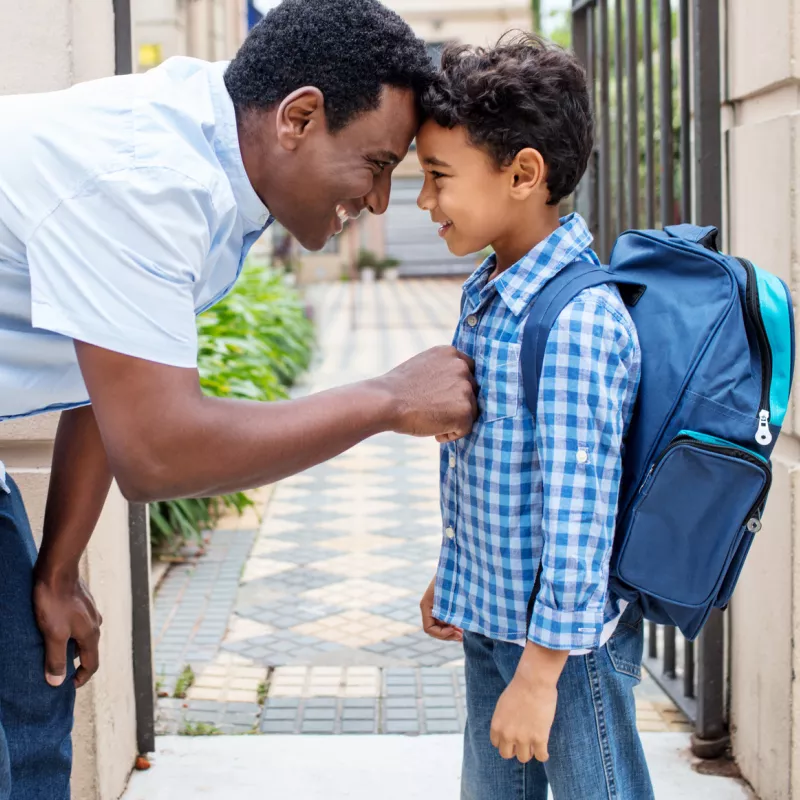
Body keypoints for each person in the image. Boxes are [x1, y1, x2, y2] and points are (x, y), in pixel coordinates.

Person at [0, 1, 477, 796]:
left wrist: (59, 569)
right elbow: (158, 450)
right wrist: (388, 398)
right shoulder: (153, 179)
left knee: (30, 693)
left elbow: (110, 371)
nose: (381, 201)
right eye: (378, 164)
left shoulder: (214, 154)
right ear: (299, 117)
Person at [416, 35, 654, 799]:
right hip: (494, 627)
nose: (423, 202)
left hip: (564, 652)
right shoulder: (490, 291)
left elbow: (579, 511)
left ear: (523, 173)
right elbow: (491, 464)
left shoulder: (577, 320)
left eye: (438, 178)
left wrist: (542, 674)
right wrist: (453, 574)